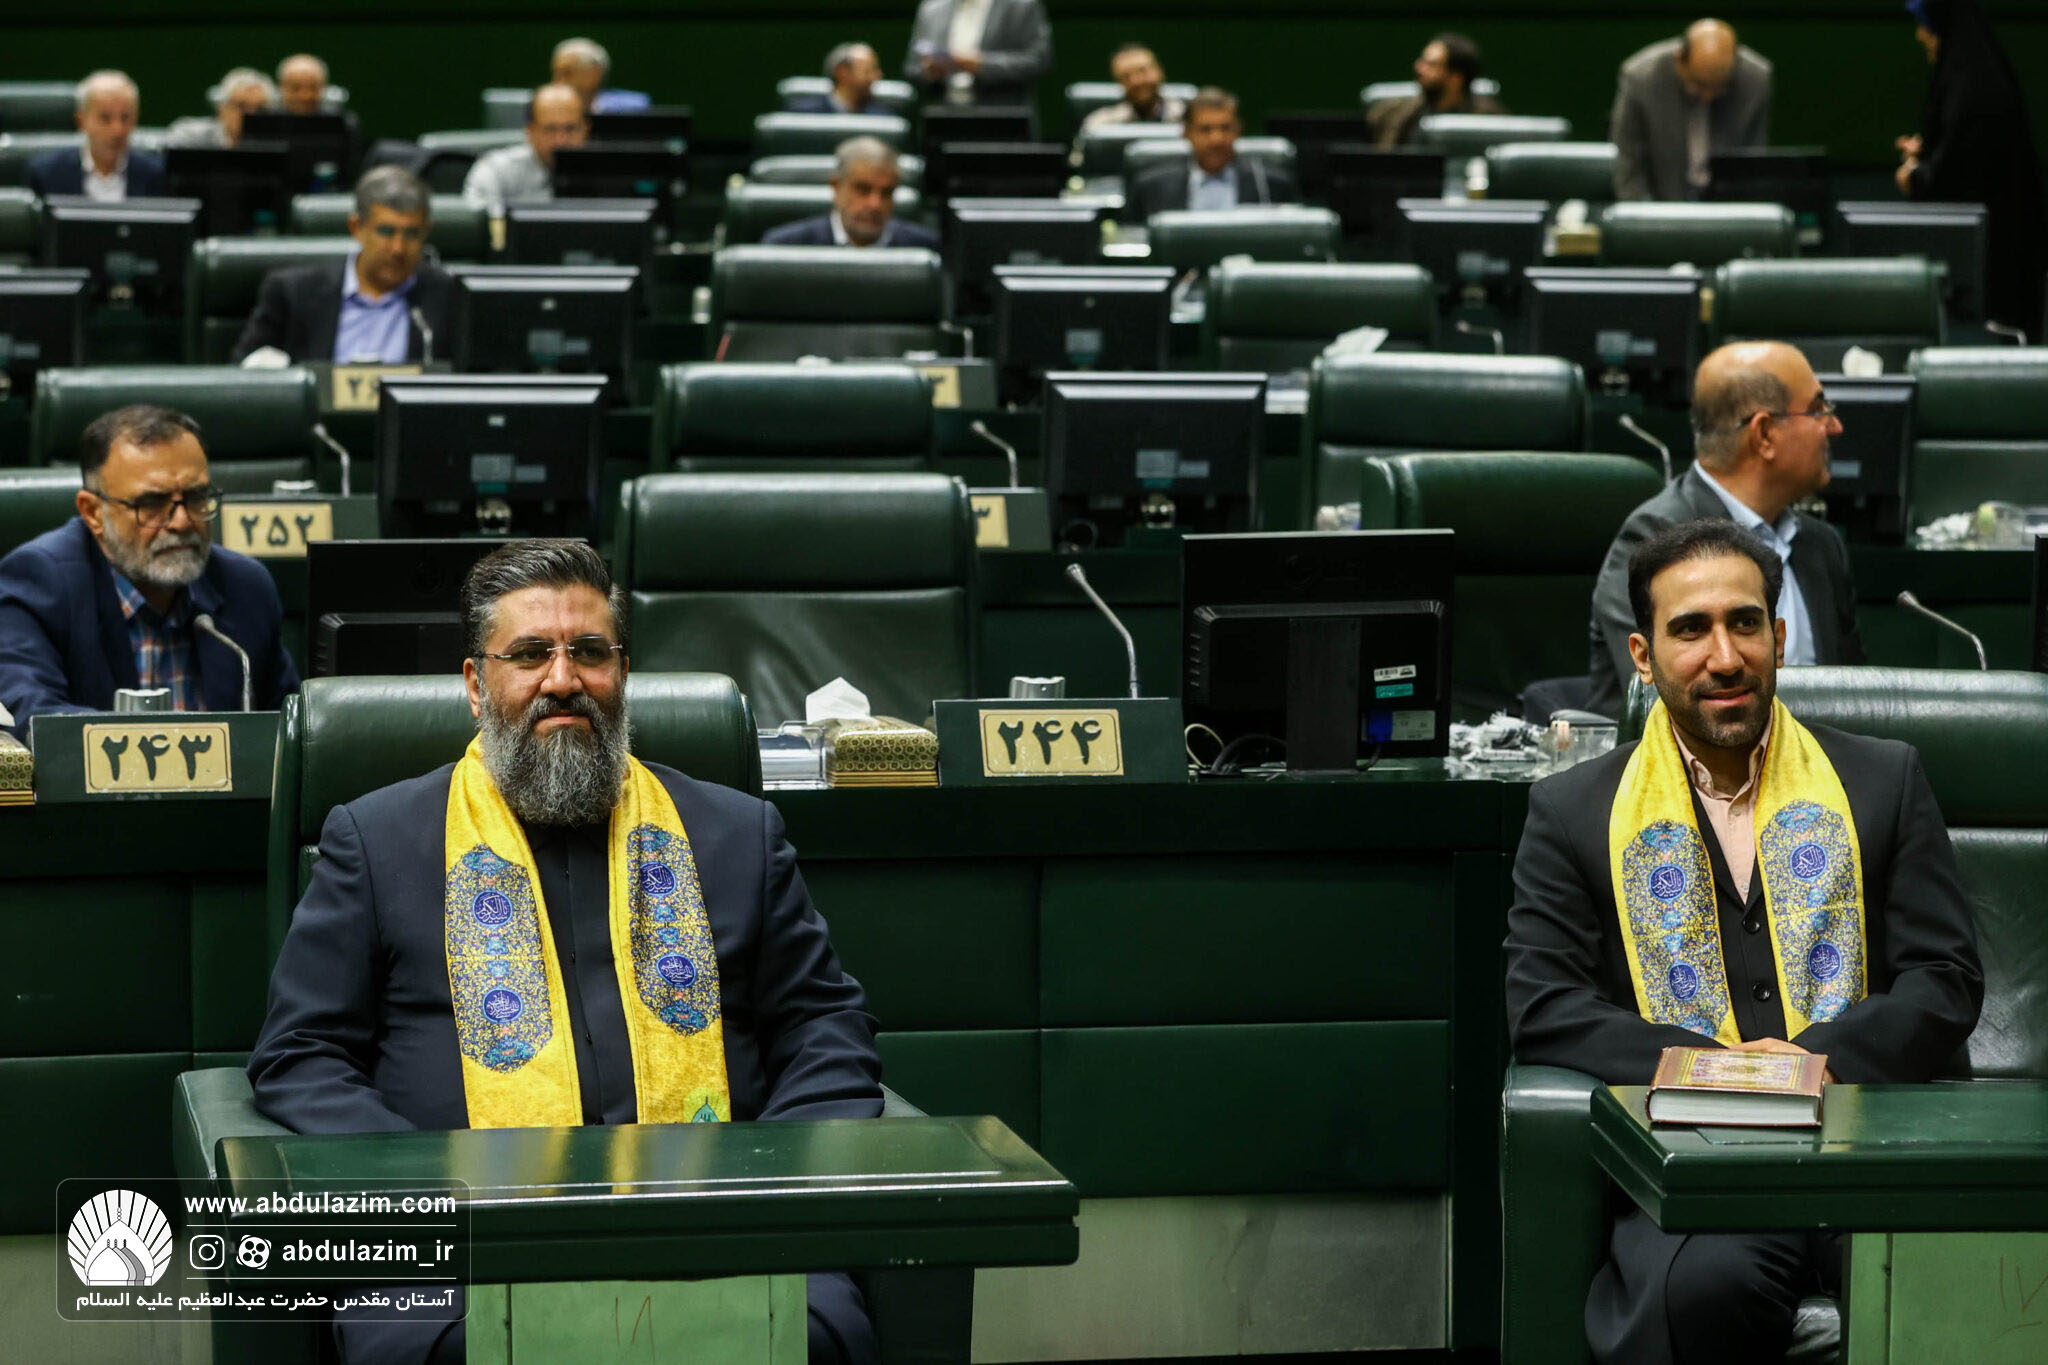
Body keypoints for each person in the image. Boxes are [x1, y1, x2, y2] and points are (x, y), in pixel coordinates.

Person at [248, 539, 883, 1364]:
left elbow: (826, 1026)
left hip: (723, 1224)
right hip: (461, 1246)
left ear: (622, 672)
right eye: (529, 654)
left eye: (589, 651)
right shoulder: (379, 840)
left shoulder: (735, 834)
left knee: (820, 1331)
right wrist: (427, 1185)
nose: (563, 679)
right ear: (475, 683)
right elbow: (301, 1052)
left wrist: (769, 1182)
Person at [1506, 517, 1982, 1364]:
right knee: (1699, 1291)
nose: (1724, 657)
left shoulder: (1884, 778)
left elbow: (1944, 976)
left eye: (1745, 623)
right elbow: (1544, 1006)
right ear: (1643, 655)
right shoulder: (1573, 813)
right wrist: (1718, 1071)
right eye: (1690, 629)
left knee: (1966, 1278)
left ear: (1780, 637)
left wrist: (1818, 1061)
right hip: (1697, 1170)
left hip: (1866, 1148)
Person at [1586, 341, 1865, 719]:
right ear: (1764, 434)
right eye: (1818, 410)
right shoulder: (1656, 539)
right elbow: (1662, 702)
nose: (1834, 426)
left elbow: (1856, 699)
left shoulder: (1821, 544)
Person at [0, 406, 298, 736]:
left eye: (196, 496)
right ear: (93, 512)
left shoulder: (245, 587)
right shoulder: (37, 583)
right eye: (152, 503)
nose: (182, 522)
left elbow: (292, 727)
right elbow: (32, 717)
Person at [1894, 0, 2048, 339]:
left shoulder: (1972, 88)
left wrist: (1916, 177)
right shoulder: (1974, 73)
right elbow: (1960, 150)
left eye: (1926, 26)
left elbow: (1956, 174)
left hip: (1997, 271)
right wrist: (1928, 151)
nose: (1921, 36)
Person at [231, 167, 454, 365]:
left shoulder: (448, 296)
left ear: (426, 231)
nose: (398, 248)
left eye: (412, 234)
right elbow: (244, 376)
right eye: (386, 231)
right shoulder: (293, 293)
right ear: (356, 227)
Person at [1610, 19, 1772, 201]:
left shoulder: (1754, 80)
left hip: (1727, 208)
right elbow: (1629, 168)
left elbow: (1751, 164)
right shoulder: (1641, 79)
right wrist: (1646, 216)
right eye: (1699, 85)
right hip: (1659, 205)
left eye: (1718, 87)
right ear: (1680, 60)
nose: (1708, 96)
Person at [1122, 87, 1300, 222]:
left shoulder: (1270, 184)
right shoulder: (1151, 186)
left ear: (1238, 129)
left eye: (1225, 128)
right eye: (1205, 129)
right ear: (1186, 132)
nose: (1216, 139)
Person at [763, 137, 938, 249]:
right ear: (836, 187)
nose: (875, 204)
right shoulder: (785, 247)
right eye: (863, 190)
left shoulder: (924, 248)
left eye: (886, 193)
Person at [24, 70, 165, 200]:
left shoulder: (159, 175)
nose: (117, 129)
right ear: (81, 121)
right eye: (105, 118)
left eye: (125, 118)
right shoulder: (46, 174)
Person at [462, 83, 588, 217]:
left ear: (586, 130)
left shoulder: (603, 171)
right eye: (550, 129)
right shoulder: (496, 171)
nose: (561, 141)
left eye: (570, 129)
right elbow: (481, 222)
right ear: (530, 131)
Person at [1366, 33, 1507, 149]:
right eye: (1422, 61)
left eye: (1431, 65)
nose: (1419, 68)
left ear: (1456, 78)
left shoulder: (1490, 123)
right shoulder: (1392, 112)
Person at [903, 0, 1052, 106]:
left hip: (1003, 117)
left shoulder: (1022, 6)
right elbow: (912, 67)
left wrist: (980, 65)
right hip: (941, 115)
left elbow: (1039, 61)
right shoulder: (931, 9)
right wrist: (929, 71)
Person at [1079, 43, 1186, 133]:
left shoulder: (1187, 119)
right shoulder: (1099, 126)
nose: (1136, 81)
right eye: (1126, 76)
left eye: (1143, 71)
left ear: (1159, 71)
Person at [165, 67, 276, 148]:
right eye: (242, 106)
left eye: (260, 108)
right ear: (222, 108)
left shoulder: (277, 144)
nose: (251, 114)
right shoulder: (190, 136)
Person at [551, 36, 649, 114]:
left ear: (594, 74)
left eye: (567, 73)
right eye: (555, 73)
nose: (558, 81)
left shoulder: (633, 109)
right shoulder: (545, 111)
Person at [789, 43, 885, 114]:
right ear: (842, 72)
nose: (876, 77)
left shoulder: (881, 117)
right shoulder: (804, 115)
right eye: (868, 71)